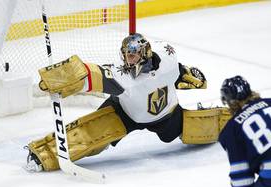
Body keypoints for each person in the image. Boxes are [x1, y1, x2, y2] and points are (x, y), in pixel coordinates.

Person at [24, 33, 230, 172]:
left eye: (133, 54)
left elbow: (174, 70)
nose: (129, 60)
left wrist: (185, 75)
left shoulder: (167, 57)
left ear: (145, 52)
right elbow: (91, 74)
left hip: (166, 113)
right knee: (92, 133)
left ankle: (229, 120)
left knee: (194, 129)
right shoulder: (121, 76)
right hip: (124, 114)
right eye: (126, 55)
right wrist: (66, 76)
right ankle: (45, 154)